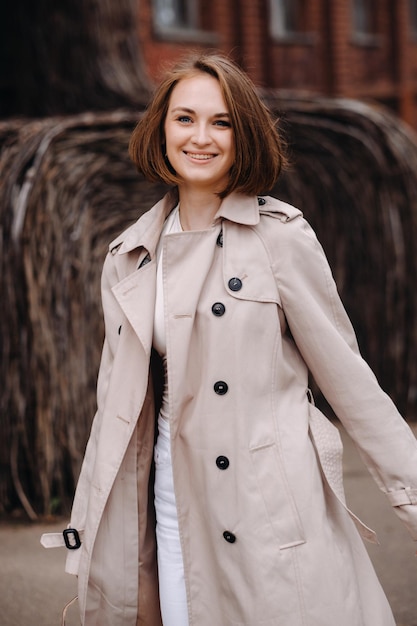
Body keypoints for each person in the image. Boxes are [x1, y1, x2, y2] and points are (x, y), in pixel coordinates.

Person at [41, 52, 417, 626]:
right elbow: (112, 413)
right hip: (169, 501)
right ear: (160, 130)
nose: (201, 137)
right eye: (184, 118)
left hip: (267, 509)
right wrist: (89, 524)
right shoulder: (129, 257)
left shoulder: (279, 238)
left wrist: (409, 489)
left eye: (221, 122)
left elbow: (351, 382)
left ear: (245, 136)